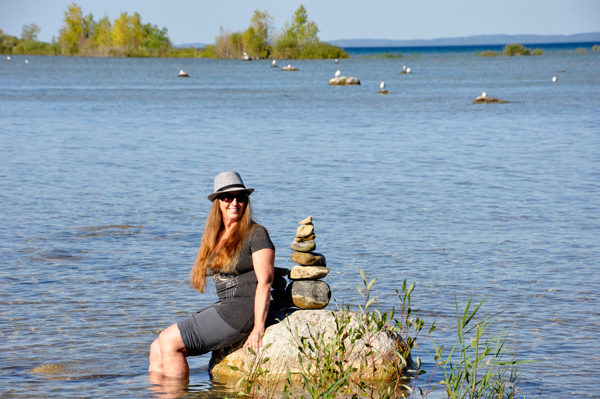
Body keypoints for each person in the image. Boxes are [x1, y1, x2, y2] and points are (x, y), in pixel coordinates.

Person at [149, 171, 275, 379]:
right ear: (217, 202)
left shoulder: (256, 233)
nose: (234, 203)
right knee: (156, 347)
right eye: (227, 197)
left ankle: (176, 394)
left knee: (169, 341)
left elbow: (265, 281)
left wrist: (258, 327)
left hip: (244, 310)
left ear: (246, 202)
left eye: (240, 197)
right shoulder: (215, 235)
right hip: (226, 306)